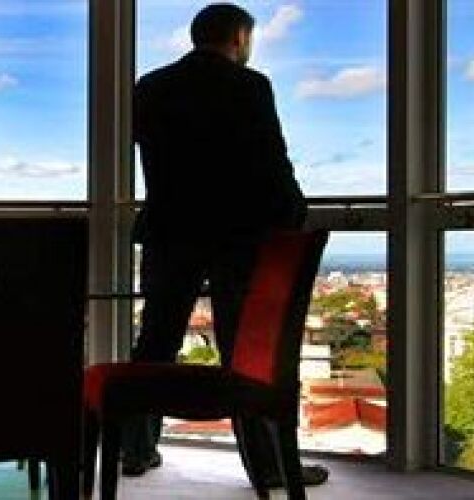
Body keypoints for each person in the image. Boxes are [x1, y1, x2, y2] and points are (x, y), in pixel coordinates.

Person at [124, 2, 329, 488]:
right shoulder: (249, 85)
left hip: (169, 231)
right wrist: (293, 214)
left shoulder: (150, 86)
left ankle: (135, 449)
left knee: (155, 343)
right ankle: (268, 466)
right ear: (239, 37)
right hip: (237, 237)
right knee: (245, 353)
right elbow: (271, 160)